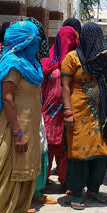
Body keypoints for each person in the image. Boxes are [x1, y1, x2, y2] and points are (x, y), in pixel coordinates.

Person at [0, 21, 45, 213]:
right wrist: (18, 133)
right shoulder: (12, 64)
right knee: (8, 174)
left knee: (26, 172)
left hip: (29, 127)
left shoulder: (30, 64)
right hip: (14, 129)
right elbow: (8, 99)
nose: (37, 42)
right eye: (34, 39)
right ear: (24, 41)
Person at [61, 22, 107, 210]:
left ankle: (94, 190)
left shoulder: (104, 60)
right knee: (79, 153)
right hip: (79, 111)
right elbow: (65, 85)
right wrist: (67, 111)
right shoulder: (72, 58)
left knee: (101, 152)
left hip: (101, 112)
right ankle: (77, 192)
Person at [41, 26, 79, 191]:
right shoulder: (48, 60)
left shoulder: (76, 61)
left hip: (69, 110)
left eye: (70, 39)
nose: (67, 43)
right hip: (49, 110)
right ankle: (42, 180)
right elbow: (41, 86)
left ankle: (66, 180)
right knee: (47, 146)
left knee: (66, 148)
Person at [20, 17, 53, 208]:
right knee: (25, 155)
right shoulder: (14, 61)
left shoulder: (35, 62)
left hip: (36, 112)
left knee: (41, 150)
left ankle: (36, 192)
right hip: (21, 116)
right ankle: (23, 199)